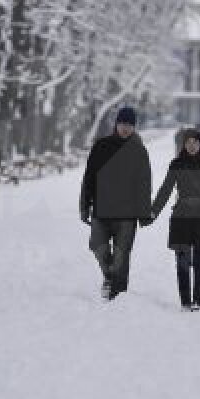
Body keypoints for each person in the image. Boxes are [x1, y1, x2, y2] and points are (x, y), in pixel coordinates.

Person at [80, 106, 153, 300]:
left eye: (130, 125)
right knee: (98, 246)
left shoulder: (139, 151)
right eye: (123, 124)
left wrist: (144, 212)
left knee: (122, 255)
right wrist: (84, 206)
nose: (126, 128)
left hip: (127, 215)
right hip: (101, 211)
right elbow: (89, 178)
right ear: (116, 124)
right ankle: (109, 277)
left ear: (134, 127)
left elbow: (144, 184)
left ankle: (118, 295)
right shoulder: (101, 146)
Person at [150, 128, 200, 311]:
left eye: (195, 142)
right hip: (181, 217)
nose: (192, 146)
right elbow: (166, 190)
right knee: (182, 262)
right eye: (188, 142)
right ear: (183, 144)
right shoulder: (176, 164)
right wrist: (153, 212)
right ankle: (185, 302)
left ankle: (197, 301)